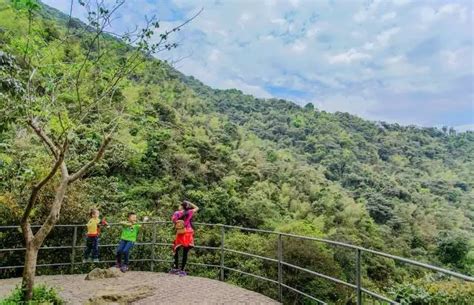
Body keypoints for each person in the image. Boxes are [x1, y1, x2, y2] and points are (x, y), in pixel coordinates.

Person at [170, 200, 199, 276]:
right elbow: (197, 208)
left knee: (176, 250)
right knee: (185, 252)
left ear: (182, 206)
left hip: (181, 233)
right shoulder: (190, 212)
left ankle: (176, 268)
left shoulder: (177, 213)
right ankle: (182, 270)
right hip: (188, 233)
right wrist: (189, 203)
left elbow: (173, 221)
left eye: (180, 205)